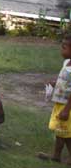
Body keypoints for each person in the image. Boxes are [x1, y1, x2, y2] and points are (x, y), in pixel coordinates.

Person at [38, 34, 71, 163]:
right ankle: (56, 155)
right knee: (60, 130)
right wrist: (54, 83)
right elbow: (65, 81)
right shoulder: (66, 63)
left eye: (64, 47)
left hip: (67, 106)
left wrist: (66, 110)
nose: (61, 50)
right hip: (60, 103)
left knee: (67, 133)